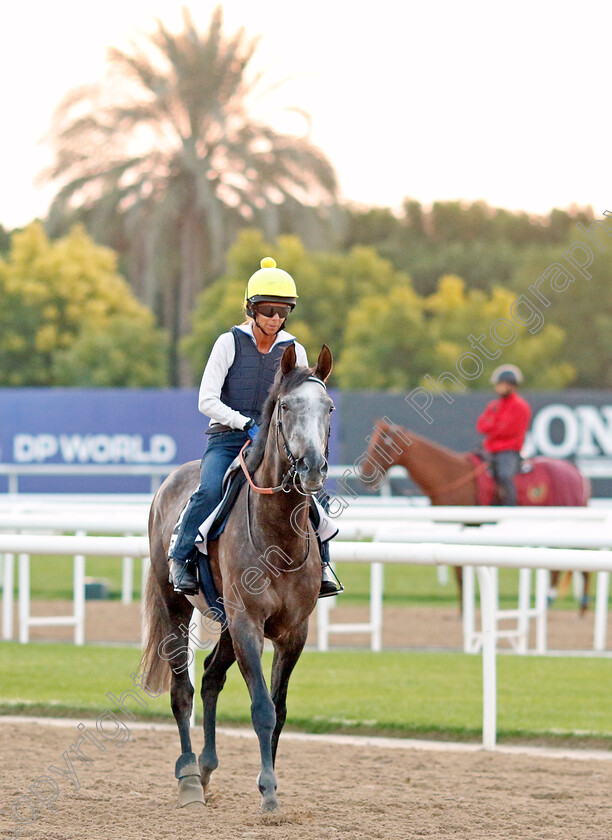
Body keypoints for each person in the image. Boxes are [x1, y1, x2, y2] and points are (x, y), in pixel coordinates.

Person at [169, 256, 343, 598]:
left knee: (312, 493)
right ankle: (181, 558)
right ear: (251, 308)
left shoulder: (295, 349)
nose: (275, 318)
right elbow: (206, 400)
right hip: (228, 439)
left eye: (283, 311)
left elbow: (303, 403)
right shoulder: (228, 342)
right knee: (209, 490)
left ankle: (322, 565)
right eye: (268, 310)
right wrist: (243, 422)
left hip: (275, 444)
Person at [476, 365, 532, 506]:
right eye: (498, 384)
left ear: (511, 386)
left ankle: (510, 507)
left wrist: (492, 426)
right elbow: (481, 426)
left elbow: (507, 430)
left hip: (509, 451)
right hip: (489, 449)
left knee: (505, 475)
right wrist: (495, 426)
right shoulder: (494, 405)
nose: (498, 388)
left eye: (502, 384)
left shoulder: (520, 406)